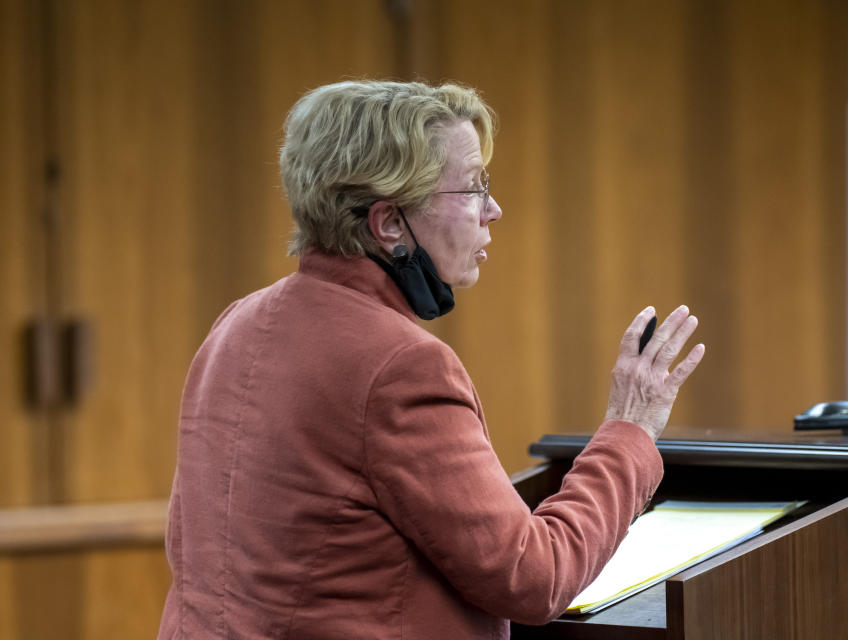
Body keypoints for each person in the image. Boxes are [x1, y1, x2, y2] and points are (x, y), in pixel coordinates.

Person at [157, 80, 705, 639]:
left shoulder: (236, 324)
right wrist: (630, 430)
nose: (493, 209)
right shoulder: (399, 366)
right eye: (471, 188)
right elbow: (534, 577)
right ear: (390, 223)